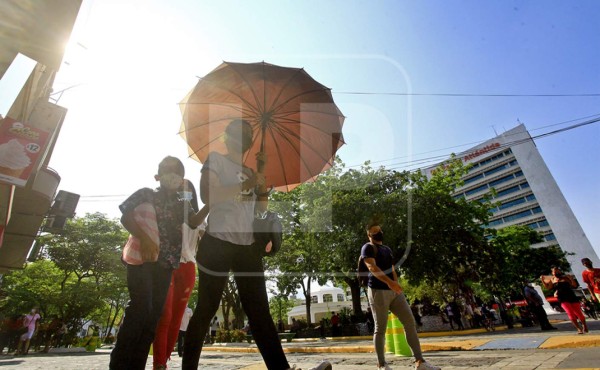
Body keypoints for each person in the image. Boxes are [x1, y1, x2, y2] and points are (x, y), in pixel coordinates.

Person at [182, 119, 331, 370]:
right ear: (227, 137)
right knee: (206, 309)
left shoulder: (251, 171)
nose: (245, 137)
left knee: (260, 313)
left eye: (248, 133)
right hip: (217, 243)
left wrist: (260, 183)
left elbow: (260, 209)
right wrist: (247, 184)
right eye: (239, 132)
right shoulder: (215, 160)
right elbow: (209, 195)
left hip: (247, 248)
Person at [110, 156, 206, 370]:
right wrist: (144, 237)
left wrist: (211, 204)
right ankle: (119, 364)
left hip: (167, 264)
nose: (173, 175)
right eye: (168, 170)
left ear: (182, 178)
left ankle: (136, 364)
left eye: (177, 172)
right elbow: (125, 216)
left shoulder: (181, 203)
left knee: (153, 316)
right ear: (158, 176)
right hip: (143, 259)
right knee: (140, 308)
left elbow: (193, 221)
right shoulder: (146, 193)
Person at [361, 222, 440, 370]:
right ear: (369, 235)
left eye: (379, 230)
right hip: (378, 291)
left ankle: (420, 362)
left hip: (395, 292)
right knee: (380, 328)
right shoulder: (368, 247)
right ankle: (382, 365)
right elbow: (372, 267)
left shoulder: (387, 249)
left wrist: (396, 285)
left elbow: (392, 268)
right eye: (375, 231)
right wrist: (390, 283)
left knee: (410, 322)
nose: (378, 233)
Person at [152, 179, 205, 370]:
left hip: (189, 268)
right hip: (167, 265)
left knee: (177, 319)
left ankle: (164, 360)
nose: (184, 191)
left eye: (188, 189)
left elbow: (208, 243)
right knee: (165, 315)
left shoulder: (199, 220)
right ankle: (158, 363)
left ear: (192, 194)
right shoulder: (169, 212)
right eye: (180, 189)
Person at [541, 267, 588, 334]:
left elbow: (574, 285)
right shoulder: (552, 279)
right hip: (562, 298)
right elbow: (548, 287)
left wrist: (571, 279)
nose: (557, 272)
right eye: (555, 271)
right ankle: (578, 328)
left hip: (571, 296)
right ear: (552, 273)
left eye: (558, 271)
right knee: (570, 313)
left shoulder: (566, 278)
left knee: (579, 313)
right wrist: (543, 281)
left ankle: (584, 325)